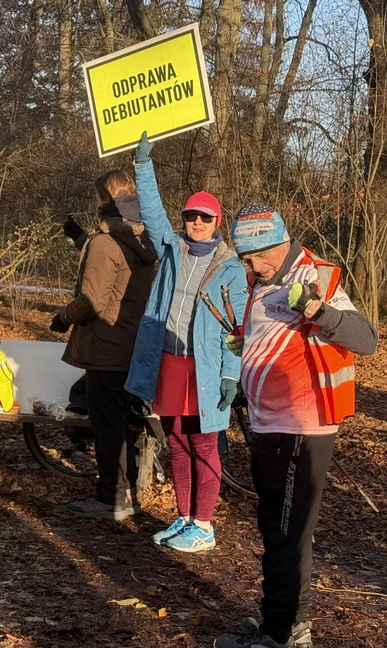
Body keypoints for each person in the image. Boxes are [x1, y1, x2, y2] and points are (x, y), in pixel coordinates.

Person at [213, 202, 377, 648]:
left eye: (257, 256)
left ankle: (275, 638)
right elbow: (283, 339)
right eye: (245, 257)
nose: (251, 266)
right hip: (272, 423)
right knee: (287, 531)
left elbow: (366, 339)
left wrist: (319, 310)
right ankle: (292, 624)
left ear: (280, 241)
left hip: (300, 428)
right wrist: (246, 350)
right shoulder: (262, 278)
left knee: (283, 533)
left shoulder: (314, 276)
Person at [124, 132, 247, 553]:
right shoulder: (172, 248)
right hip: (169, 362)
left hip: (206, 368)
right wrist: (143, 165)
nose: (197, 222)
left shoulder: (231, 268)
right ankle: (184, 517)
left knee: (204, 442)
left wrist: (232, 373)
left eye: (205, 218)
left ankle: (205, 525)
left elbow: (237, 329)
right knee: (175, 438)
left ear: (218, 222)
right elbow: (153, 211)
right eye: (192, 216)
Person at [51, 170, 157, 520]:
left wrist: (63, 317)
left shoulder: (104, 242)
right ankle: (126, 497)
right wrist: (80, 236)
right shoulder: (144, 241)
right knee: (122, 423)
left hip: (105, 346)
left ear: (102, 200)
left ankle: (109, 498)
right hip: (133, 344)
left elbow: (92, 301)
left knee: (107, 427)